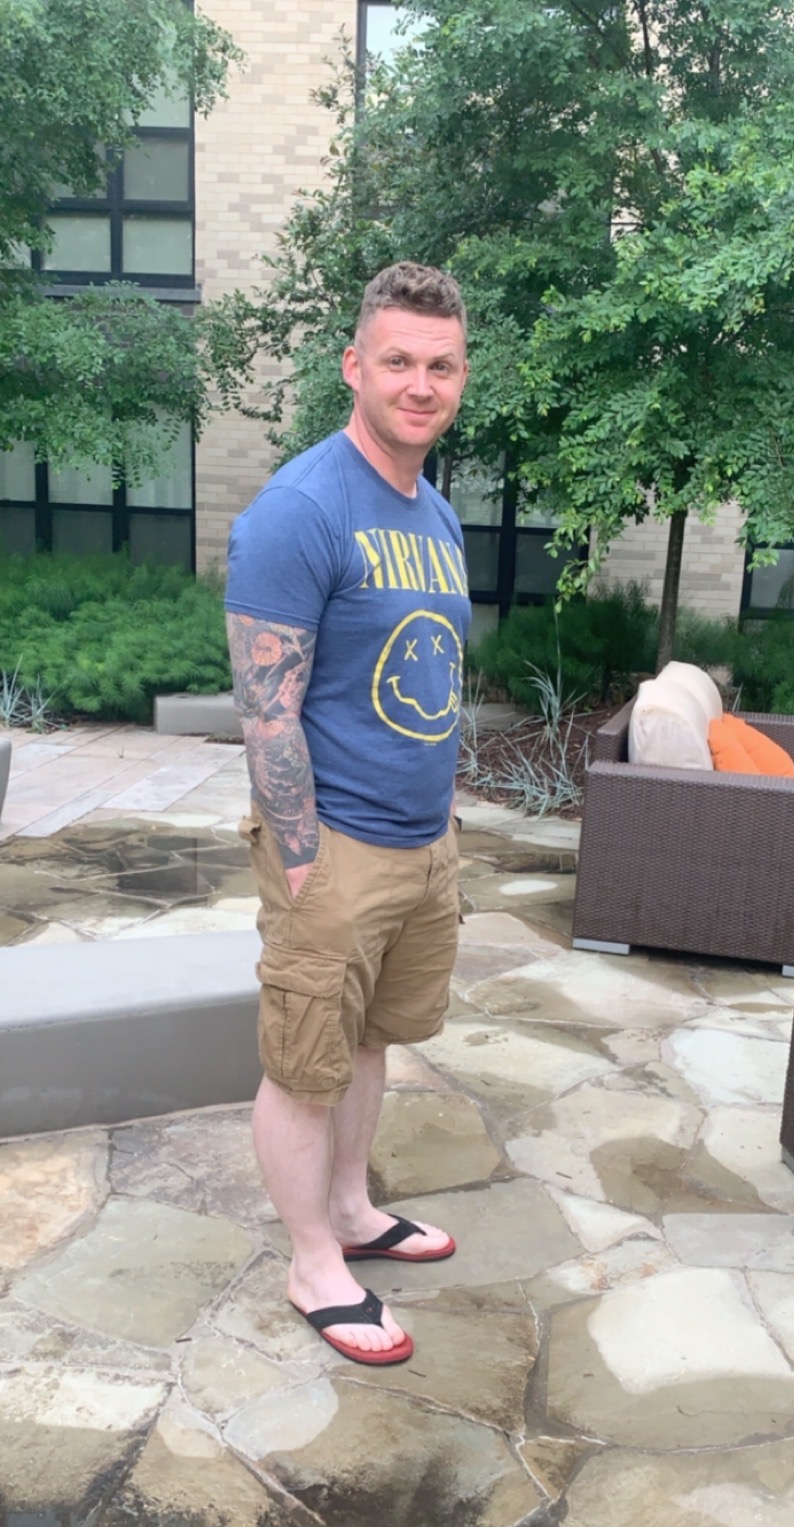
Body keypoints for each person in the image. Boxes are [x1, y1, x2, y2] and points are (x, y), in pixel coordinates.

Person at [224, 262, 470, 1368]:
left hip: (420, 844)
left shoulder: (435, 511)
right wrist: (302, 857)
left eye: (440, 365)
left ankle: (355, 1209)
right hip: (335, 849)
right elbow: (266, 705)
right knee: (303, 1061)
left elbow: (430, 671)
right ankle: (313, 1260)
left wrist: (441, 818)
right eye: (398, 361)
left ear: (459, 376)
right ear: (353, 366)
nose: (419, 384)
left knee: (369, 1040)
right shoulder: (302, 509)